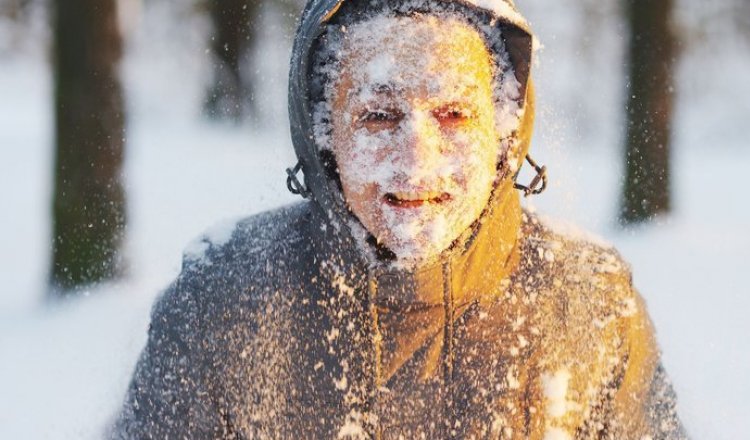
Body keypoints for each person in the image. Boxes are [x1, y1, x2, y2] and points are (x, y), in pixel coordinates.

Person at [111, 0, 687, 438]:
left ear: (505, 130)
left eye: (454, 115)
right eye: (380, 116)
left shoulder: (586, 304)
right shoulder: (224, 303)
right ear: (323, 133)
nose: (418, 161)